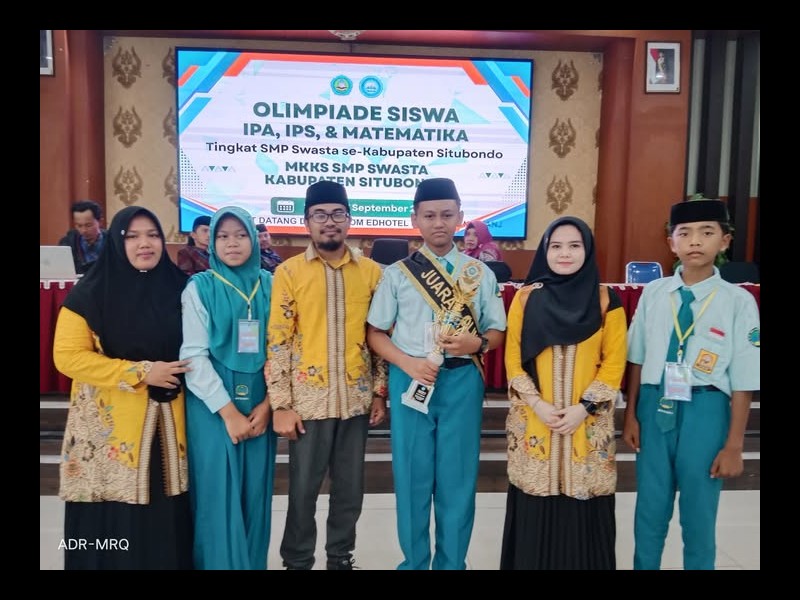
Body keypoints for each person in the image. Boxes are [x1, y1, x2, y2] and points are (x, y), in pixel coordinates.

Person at [366, 177, 507, 570]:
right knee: (412, 477)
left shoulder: (480, 273)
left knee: (457, 479)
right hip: (411, 377)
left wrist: (477, 343)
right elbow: (375, 333)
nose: (438, 223)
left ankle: (451, 564)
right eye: (429, 216)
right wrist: (406, 363)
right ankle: (413, 563)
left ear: (460, 216)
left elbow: (497, 332)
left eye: (447, 214)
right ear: (415, 219)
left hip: (462, 380)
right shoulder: (397, 274)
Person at [53, 206, 193, 570]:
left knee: (164, 524)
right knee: (110, 523)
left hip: (169, 429)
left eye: (153, 235)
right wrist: (141, 372)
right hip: (109, 435)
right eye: (132, 237)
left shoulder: (183, 289)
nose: (144, 243)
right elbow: (68, 357)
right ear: (117, 242)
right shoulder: (89, 294)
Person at [622, 199, 760, 570]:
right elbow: (637, 358)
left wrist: (734, 444)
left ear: (725, 241)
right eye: (684, 234)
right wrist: (631, 414)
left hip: (706, 410)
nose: (695, 241)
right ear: (672, 243)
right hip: (654, 405)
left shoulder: (738, 301)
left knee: (699, 515)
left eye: (707, 233)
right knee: (649, 511)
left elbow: (745, 377)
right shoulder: (653, 293)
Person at [266, 180, 387, 570]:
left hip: (356, 400)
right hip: (308, 401)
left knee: (350, 491)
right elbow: (278, 341)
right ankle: (297, 561)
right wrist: (281, 404)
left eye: (337, 213)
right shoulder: (288, 273)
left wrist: (379, 391)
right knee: (303, 490)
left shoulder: (372, 273)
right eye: (320, 214)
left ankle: (340, 558)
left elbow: (379, 335)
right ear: (307, 222)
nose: (329, 221)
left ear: (349, 220)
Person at [499, 215, 628, 570]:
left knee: (583, 519)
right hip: (536, 424)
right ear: (544, 251)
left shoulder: (607, 300)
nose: (565, 253)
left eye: (574, 245)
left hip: (586, 427)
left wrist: (583, 408)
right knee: (535, 512)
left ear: (588, 250)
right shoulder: (526, 298)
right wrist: (537, 404)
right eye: (555, 246)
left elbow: (614, 362)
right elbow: (513, 360)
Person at [180, 206, 277, 570]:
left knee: (256, 494)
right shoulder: (200, 288)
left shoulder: (272, 285)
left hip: (261, 399)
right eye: (222, 236)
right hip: (213, 404)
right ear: (211, 242)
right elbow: (193, 356)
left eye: (240, 235)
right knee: (217, 496)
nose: (231, 243)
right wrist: (229, 413)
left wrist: (269, 404)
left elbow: (285, 349)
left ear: (253, 239)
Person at [58, 200, 107, 274]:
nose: (84, 230)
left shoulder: (112, 241)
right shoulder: (68, 242)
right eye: (79, 226)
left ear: (100, 222)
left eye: (88, 225)